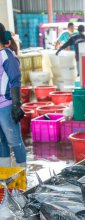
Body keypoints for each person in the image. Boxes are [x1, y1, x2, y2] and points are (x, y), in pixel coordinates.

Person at [0, 23, 26, 168]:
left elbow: (15, 81)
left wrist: (16, 105)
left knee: (15, 142)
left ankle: (20, 180)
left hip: (6, 106)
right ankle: (4, 178)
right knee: (1, 142)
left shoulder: (7, 56)